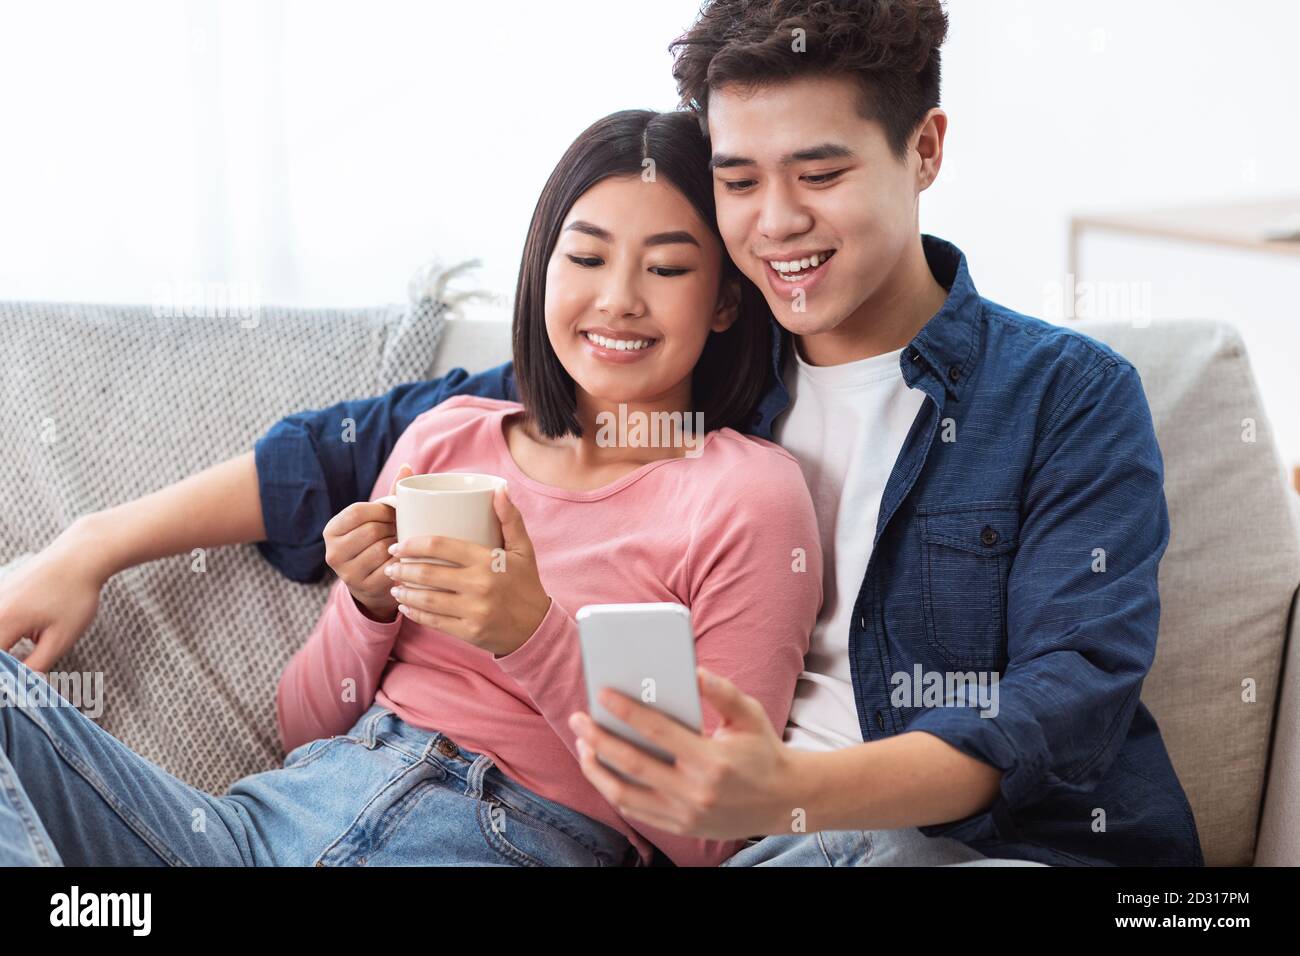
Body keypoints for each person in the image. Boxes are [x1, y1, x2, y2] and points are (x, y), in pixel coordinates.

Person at [0, 0, 1203, 868]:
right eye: (738, 178)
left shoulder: (1062, 396)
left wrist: (793, 789)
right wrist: (88, 546)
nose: (775, 222)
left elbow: (1060, 710)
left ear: (923, 151)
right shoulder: (695, 364)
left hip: (940, 836)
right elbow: (346, 449)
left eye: (820, 173)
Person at [0, 109, 822, 867]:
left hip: (509, 837)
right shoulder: (448, 436)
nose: (618, 298)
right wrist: (369, 605)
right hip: (259, 827)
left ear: (724, 301)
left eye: (668, 267)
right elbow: (303, 726)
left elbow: (714, 836)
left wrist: (533, 633)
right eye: (586, 256)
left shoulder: (745, 497)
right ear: (543, 269)